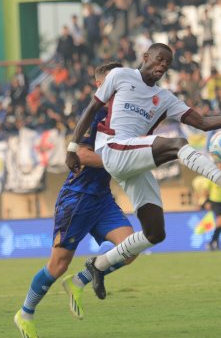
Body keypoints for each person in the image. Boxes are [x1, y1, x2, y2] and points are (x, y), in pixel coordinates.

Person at [65, 43, 221, 300]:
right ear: (145, 57)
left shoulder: (165, 98)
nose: (162, 66)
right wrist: (72, 146)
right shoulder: (120, 75)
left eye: (167, 64)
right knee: (177, 144)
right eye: (159, 60)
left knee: (155, 233)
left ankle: (98, 266)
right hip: (113, 149)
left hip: (132, 160)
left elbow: (202, 123)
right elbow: (92, 108)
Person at [14, 62, 137, 338]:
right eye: (114, 82)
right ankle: (25, 313)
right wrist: (119, 161)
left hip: (102, 199)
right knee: (58, 264)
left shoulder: (122, 115)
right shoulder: (95, 116)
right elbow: (81, 154)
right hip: (77, 198)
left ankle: (80, 281)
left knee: (130, 247)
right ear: (100, 85)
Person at [202, 163, 221, 251]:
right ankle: (211, 243)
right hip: (215, 201)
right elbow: (206, 191)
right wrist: (207, 202)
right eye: (220, 165)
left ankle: (215, 242)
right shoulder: (212, 177)